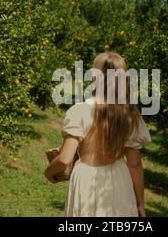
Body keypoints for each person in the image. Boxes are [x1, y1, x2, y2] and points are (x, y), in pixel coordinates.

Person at [45, 52, 151, 217]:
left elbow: (64, 159)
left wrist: (48, 172)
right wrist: (140, 205)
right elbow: (134, 164)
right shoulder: (130, 115)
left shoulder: (80, 111)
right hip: (119, 179)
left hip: (87, 179)